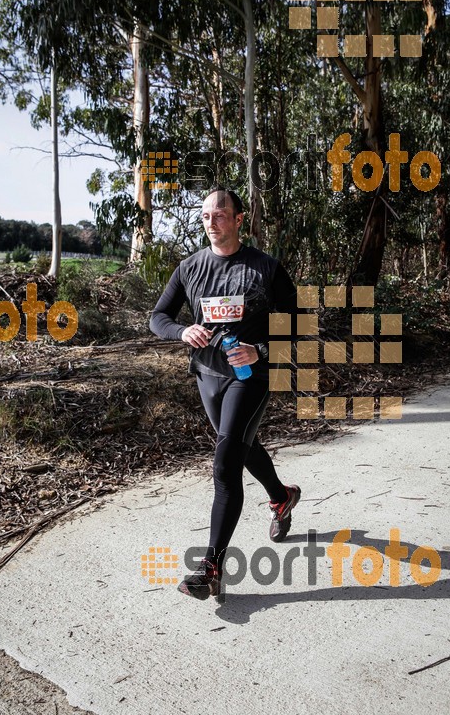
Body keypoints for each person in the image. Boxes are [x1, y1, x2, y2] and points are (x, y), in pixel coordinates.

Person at [149, 188, 301, 601]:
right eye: (205, 216)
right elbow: (157, 317)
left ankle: (211, 567)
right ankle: (282, 497)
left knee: (224, 463)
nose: (212, 222)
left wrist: (263, 349)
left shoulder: (265, 268)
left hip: (249, 376)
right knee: (240, 447)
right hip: (207, 376)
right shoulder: (190, 268)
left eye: (220, 215)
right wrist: (182, 331)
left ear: (238, 219)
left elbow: (301, 325)